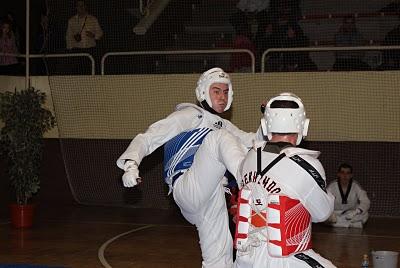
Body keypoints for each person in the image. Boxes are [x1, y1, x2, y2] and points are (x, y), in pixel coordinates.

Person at [116, 67, 263, 268]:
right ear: (203, 92)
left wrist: (269, 123)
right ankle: (251, 184)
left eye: (226, 92)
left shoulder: (224, 125)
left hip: (212, 196)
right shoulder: (191, 115)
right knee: (219, 138)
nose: (222, 97)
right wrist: (131, 164)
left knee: (221, 257)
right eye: (216, 91)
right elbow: (149, 137)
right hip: (186, 186)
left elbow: (253, 142)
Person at [232, 92, 336, 267]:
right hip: (285, 259)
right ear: (304, 126)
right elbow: (323, 214)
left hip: (244, 258)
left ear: (265, 126)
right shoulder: (307, 165)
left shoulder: (248, 158)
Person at [326, 163, 370, 228]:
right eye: (342, 172)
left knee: (365, 214)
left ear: (351, 175)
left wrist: (356, 212)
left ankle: (338, 224)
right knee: (326, 217)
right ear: (338, 174)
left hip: (351, 214)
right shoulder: (332, 186)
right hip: (336, 213)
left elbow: (366, 201)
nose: (345, 175)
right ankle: (351, 225)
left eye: (348, 173)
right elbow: (324, 201)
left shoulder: (356, 186)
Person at [66, 0, 103, 73]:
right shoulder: (71, 21)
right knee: (77, 73)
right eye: (79, 6)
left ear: (86, 6)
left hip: (90, 50)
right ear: (76, 7)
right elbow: (68, 36)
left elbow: (100, 33)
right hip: (77, 51)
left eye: (82, 5)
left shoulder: (93, 19)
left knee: (91, 72)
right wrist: (70, 50)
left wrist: (94, 35)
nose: (81, 7)